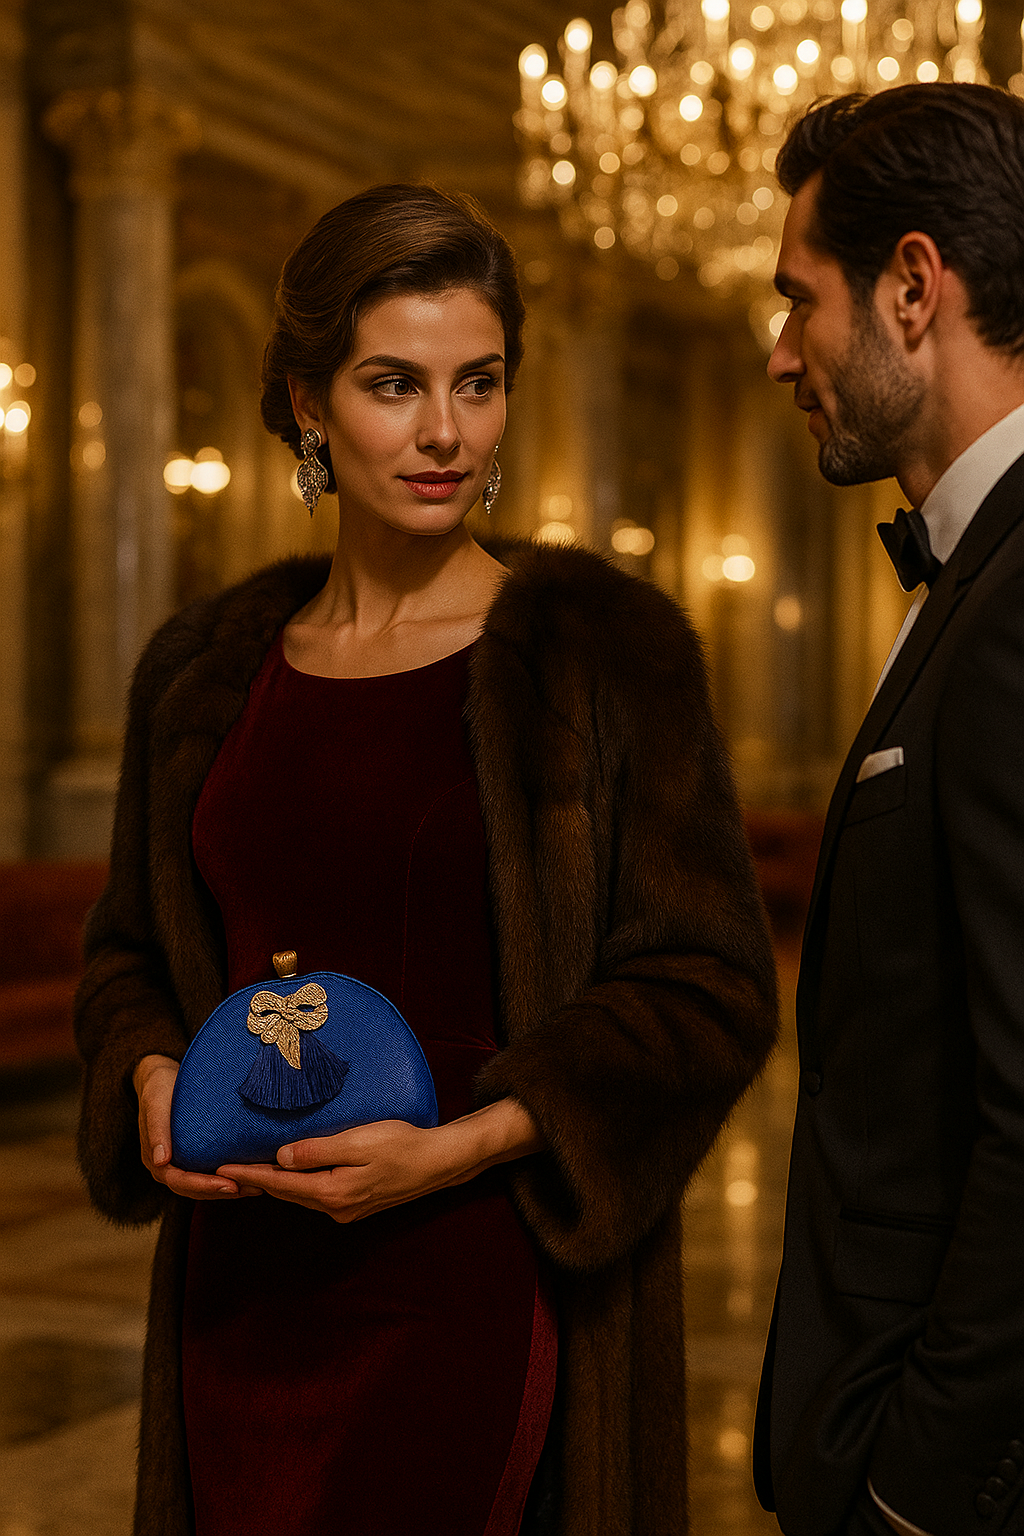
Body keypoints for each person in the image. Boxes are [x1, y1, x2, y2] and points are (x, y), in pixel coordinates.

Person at [74, 183, 778, 1536]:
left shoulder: (598, 654)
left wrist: (464, 1148)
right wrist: (151, 1071)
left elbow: (708, 985)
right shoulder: (204, 672)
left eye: (480, 382)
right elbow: (127, 958)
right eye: (394, 384)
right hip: (241, 1290)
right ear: (306, 404)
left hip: (483, 1278)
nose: (445, 431)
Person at [753, 83, 1024, 1536]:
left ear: (914, 288)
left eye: (800, 300)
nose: (780, 352)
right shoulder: (969, 580)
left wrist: (910, 1492)